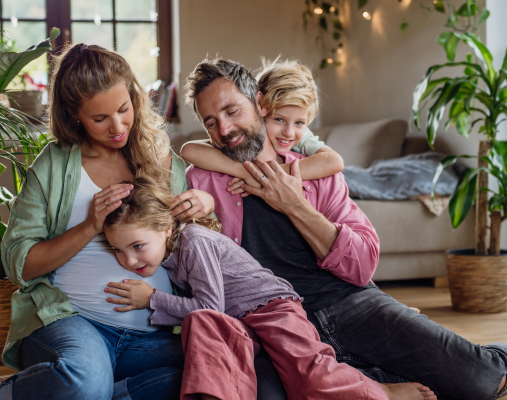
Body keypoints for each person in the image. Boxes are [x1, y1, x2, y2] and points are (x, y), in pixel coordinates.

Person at [182, 57, 507, 400]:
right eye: (211, 122)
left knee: (483, 380)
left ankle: (370, 372)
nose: (224, 130)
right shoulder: (203, 177)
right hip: (276, 326)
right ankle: (371, 378)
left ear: (260, 103)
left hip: (348, 303)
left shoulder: (317, 170)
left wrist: (294, 204)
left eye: (232, 111)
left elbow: (363, 263)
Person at [0, 44, 215, 400]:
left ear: (135, 96)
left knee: (224, 367)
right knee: (84, 379)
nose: (117, 127)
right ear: (74, 115)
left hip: (154, 335)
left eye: (123, 109)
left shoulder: (160, 157)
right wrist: (89, 225)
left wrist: (202, 205)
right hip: (70, 323)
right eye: (100, 118)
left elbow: (200, 239)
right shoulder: (54, 166)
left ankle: (94, 392)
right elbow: (19, 264)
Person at [101, 178, 437, 400]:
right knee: (203, 330)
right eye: (117, 251)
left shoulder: (192, 241)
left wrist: (152, 300)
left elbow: (210, 306)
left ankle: (381, 391)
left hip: (271, 307)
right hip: (240, 323)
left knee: (310, 379)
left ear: (165, 228)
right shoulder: (166, 255)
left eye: (137, 246)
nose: (128, 260)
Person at [179, 58, 343, 196]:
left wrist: (268, 175)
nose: (289, 132)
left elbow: (334, 161)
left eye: (299, 122)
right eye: (278, 119)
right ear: (263, 108)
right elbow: (188, 150)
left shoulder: (301, 138)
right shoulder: (236, 139)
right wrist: (247, 173)